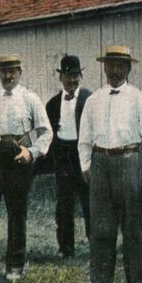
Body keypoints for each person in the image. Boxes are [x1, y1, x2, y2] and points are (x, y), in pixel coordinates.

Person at [78, 46, 142, 283]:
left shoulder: (140, 99)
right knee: (101, 229)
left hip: (130, 162)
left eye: (120, 66)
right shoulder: (94, 100)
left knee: (132, 230)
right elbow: (84, 138)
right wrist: (85, 166)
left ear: (129, 69)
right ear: (104, 67)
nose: (114, 71)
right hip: (101, 163)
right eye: (110, 65)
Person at [0, 54, 52, 283]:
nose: (8, 76)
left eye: (12, 71)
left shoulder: (30, 99)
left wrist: (32, 152)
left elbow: (44, 131)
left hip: (17, 158)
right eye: (4, 72)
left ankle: (15, 268)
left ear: (20, 73)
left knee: (16, 214)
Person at [45, 55, 92, 260]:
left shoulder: (90, 99)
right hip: (62, 154)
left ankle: (96, 244)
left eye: (75, 76)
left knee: (89, 201)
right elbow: (44, 130)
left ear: (80, 76)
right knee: (64, 204)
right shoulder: (53, 104)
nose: (72, 81)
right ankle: (66, 248)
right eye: (68, 76)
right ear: (60, 77)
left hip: (83, 154)